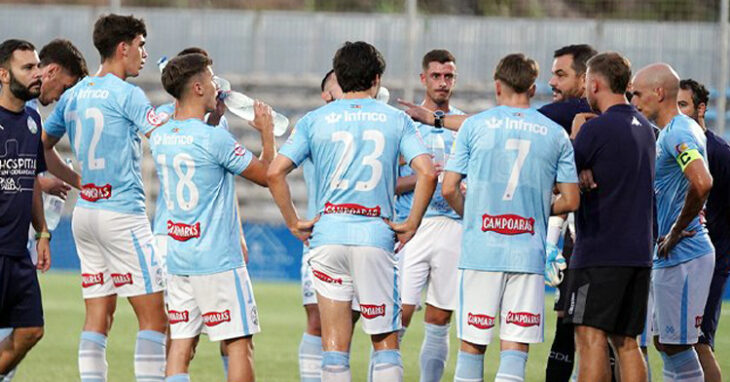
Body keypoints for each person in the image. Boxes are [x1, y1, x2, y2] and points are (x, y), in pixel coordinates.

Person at [267, 41, 437, 382]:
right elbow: (428, 171)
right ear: (376, 79)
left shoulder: (315, 120)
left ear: (339, 79)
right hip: (374, 236)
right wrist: (412, 224)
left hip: (327, 237)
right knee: (385, 343)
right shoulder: (396, 119)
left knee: (333, 347)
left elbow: (274, 172)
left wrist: (294, 223)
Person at [42, 14, 169, 381]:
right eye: (141, 45)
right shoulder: (128, 94)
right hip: (122, 216)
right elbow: (160, 137)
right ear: (123, 47)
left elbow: (43, 147)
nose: (144, 54)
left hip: (86, 215)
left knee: (98, 317)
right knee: (154, 317)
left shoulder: (75, 94)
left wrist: (81, 182)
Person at [442, 53, 580, 382]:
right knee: (515, 349)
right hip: (527, 252)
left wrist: (472, 215)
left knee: (472, 345)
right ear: (533, 88)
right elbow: (572, 198)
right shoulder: (555, 133)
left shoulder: (474, 125)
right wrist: (532, 209)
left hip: (481, 251)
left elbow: (448, 188)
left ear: (497, 84)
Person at [153, 52, 274, 382]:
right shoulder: (215, 138)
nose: (216, 86)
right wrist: (267, 133)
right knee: (238, 344)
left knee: (181, 345)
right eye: (210, 79)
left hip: (180, 257)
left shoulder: (161, 136)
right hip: (217, 259)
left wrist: (212, 119)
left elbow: (197, 147)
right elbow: (266, 176)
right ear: (196, 87)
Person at [565, 52, 656, 382]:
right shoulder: (647, 128)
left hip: (601, 252)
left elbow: (562, 177)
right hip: (639, 253)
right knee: (627, 343)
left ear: (595, 83)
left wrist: (576, 137)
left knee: (590, 339)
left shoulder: (595, 129)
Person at [631, 63, 714, 382]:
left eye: (638, 93)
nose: (634, 100)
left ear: (659, 92)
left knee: (675, 346)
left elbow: (702, 182)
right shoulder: (674, 131)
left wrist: (676, 232)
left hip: (685, 252)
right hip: (673, 253)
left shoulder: (678, 132)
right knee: (665, 343)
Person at [395, 49, 464, 382]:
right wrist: (424, 176)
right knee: (399, 317)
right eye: (435, 76)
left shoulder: (464, 125)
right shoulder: (404, 124)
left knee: (439, 320)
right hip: (412, 228)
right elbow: (387, 184)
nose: (442, 82)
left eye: (448, 76)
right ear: (423, 79)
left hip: (453, 226)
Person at [537, 44, 596, 382]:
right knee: (573, 323)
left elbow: (507, 120)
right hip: (584, 242)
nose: (552, 82)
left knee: (583, 332)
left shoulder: (574, 110)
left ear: (585, 79)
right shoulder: (626, 120)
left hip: (595, 248)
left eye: (561, 74)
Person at [0, 38, 51, 381]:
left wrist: (42, 231)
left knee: (32, 329)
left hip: (18, 252)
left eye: (37, 67)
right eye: (28, 68)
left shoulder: (33, 120)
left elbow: (31, 178)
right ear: (3, 75)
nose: (38, 74)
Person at [677, 78, 727, 382]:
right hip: (676, 260)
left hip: (710, 263)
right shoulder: (673, 145)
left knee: (699, 343)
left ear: (701, 108)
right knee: (670, 343)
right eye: (675, 105)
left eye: (684, 104)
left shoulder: (719, 153)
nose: (679, 112)